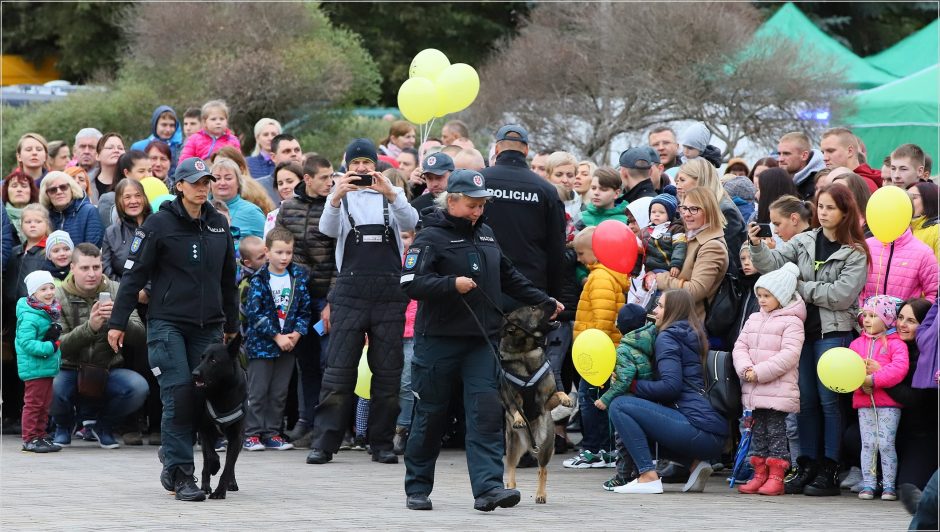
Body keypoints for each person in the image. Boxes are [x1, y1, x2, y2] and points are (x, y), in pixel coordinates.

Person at [399, 168, 561, 511]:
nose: (478, 211)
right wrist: (449, 285)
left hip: (481, 343)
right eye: (472, 205)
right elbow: (410, 283)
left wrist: (543, 300)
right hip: (438, 342)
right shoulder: (430, 237)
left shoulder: (486, 234)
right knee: (430, 416)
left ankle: (488, 488)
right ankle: (417, 487)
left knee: (486, 415)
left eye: (482, 205)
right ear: (452, 201)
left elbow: (509, 276)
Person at [107, 157, 239, 502]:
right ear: (178, 185)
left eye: (205, 181)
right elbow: (133, 275)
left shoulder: (218, 223)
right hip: (167, 323)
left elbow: (228, 278)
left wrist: (232, 326)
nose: (202, 187)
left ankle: (172, 455)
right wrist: (117, 322)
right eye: (194, 181)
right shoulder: (158, 224)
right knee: (179, 393)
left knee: (202, 396)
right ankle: (182, 474)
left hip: (209, 326)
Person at [748, 183, 870, 496]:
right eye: (821, 206)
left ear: (845, 211)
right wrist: (759, 247)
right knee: (804, 402)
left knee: (829, 402)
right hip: (802, 331)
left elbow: (841, 297)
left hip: (833, 332)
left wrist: (801, 287)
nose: (824, 212)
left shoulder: (855, 252)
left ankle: (830, 468)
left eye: (831, 207)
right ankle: (807, 464)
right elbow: (773, 268)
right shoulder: (804, 240)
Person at [305, 138, 417, 466]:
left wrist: (391, 193)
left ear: (376, 164)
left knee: (388, 372)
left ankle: (380, 443)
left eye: (367, 162)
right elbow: (327, 230)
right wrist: (336, 196)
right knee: (338, 372)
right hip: (350, 294)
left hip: (388, 295)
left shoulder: (390, 196)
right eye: (356, 163)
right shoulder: (340, 197)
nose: (362, 168)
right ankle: (325, 443)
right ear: (347, 165)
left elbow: (410, 223)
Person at [608, 289, 728, 494]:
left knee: (619, 407)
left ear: (674, 310)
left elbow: (670, 387)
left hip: (697, 428)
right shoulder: (691, 332)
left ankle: (648, 476)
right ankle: (693, 464)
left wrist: (632, 385)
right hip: (711, 434)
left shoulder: (668, 337)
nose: (654, 310)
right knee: (636, 423)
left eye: (660, 306)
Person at [49, 243, 148, 449]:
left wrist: (119, 320)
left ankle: (103, 426)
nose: (91, 274)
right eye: (84, 268)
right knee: (51, 385)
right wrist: (90, 327)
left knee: (138, 387)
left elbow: (140, 337)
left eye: (96, 267)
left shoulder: (117, 289)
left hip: (107, 369)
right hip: (69, 368)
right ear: (72, 268)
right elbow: (58, 347)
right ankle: (63, 426)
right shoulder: (57, 295)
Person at [274, 156, 336, 445]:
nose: (330, 182)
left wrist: (331, 301)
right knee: (306, 362)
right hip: (299, 296)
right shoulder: (288, 208)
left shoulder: (336, 205)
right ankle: (306, 420)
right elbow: (285, 248)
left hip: (326, 296)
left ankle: (331, 423)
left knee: (330, 361)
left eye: (332, 176)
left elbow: (341, 257)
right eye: (324, 177)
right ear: (307, 179)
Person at [732, 263, 805, 496]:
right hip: (754, 389)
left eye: (767, 296)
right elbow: (740, 346)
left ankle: (776, 476)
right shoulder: (754, 318)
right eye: (760, 295)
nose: (761, 300)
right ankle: (759, 474)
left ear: (781, 296)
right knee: (757, 432)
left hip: (777, 390)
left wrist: (760, 372)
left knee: (776, 432)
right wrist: (745, 369)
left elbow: (790, 355)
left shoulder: (792, 322)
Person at [243, 227, 312, 452]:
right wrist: (276, 335)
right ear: (267, 252)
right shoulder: (259, 279)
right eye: (279, 252)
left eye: (289, 253)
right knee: (258, 391)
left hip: (288, 346)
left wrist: (297, 333)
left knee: (279, 392)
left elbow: (304, 310)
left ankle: (272, 432)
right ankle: (251, 433)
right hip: (262, 346)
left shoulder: (297, 277)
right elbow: (255, 314)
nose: (284, 258)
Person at [480, 125, 567, 302]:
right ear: (526, 150)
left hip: (483, 283)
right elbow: (557, 247)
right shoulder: (546, 190)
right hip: (531, 289)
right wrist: (554, 295)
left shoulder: (479, 181)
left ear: (497, 149)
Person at [565, 226, 627, 469]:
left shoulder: (600, 277)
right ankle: (606, 450)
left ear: (597, 251)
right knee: (599, 400)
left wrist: (591, 348)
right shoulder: (606, 275)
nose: (579, 259)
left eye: (581, 254)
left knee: (590, 400)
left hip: (598, 352)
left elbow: (602, 318)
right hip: (603, 348)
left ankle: (594, 450)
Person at [850, 295, 910, 501]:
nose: (866, 319)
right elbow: (847, 370)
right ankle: (868, 483)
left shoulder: (897, 344)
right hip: (864, 403)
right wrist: (859, 385)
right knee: (867, 443)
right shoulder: (856, 344)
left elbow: (899, 369)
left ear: (886, 319)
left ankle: (889, 485)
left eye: (873, 315)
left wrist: (873, 380)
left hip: (888, 405)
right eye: (864, 315)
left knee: (885, 444)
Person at [644, 186, 729, 322]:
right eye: (684, 208)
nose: (686, 214)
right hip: (671, 318)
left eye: (694, 209)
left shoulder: (712, 246)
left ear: (709, 211)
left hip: (687, 324)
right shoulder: (686, 234)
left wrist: (659, 279)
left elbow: (694, 291)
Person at [597, 304, 656, 490]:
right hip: (646, 398)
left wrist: (605, 399)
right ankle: (638, 471)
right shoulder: (650, 340)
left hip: (628, 401)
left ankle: (622, 476)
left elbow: (624, 380)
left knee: (623, 439)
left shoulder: (624, 349)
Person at [888, 298, 937, 492]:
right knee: (853, 437)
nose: (902, 324)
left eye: (911, 321)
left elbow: (914, 399)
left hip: (922, 433)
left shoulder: (928, 356)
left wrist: (879, 380)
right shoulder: (889, 346)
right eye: (900, 318)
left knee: (909, 486)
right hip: (896, 429)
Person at [15, 270, 63, 453]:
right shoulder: (29, 316)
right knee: (34, 404)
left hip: (45, 367)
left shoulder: (47, 312)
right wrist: (51, 346)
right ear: (33, 293)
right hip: (34, 368)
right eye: (43, 289)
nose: (49, 292)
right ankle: (29, 438)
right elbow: (26, 343)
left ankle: (41, 436)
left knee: (44, 404)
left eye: (51, 287)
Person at [860, 223, 937, 304]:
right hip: (866, 315)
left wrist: (914, 314)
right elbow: (856, 288)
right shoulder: (866, 246)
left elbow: (933, 294)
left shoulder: (924, 253)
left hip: (904, 315)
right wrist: (861, 313)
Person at [101, 179, 152, 281]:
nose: (133, 201)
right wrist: (126, 289)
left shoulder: (158, 227)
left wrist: (146, 291)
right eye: (127, 197)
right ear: (119, 201)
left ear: (144, 198)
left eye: (138, 195)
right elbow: (106, 269)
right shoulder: (111, 233)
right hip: (122, 292)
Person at [38, 172, 102, 247]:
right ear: (46, 195)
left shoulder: (89, 211)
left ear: (72, 189)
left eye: (63, 187)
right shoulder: (44, 216)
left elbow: (92, 249)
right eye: (52, 190)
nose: (59, 192)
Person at [210, 158, 265, 240]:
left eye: (228, 178)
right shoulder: (199, 208)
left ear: (238, 183)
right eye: (217, 178)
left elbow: (267, 245)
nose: (222, 183)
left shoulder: (252, 212)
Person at [820, 127, 881, 193]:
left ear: (850, 151)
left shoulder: (863, 185)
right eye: (823, 152)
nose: (825, 158)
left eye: (831, 151)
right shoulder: (839, 180)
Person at [644, 185, 686, 277]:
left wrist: (676, 264)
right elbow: (639, 251)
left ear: (670, 214)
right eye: (653, 212)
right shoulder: (645, 231)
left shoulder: (675, 229)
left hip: (667, 270)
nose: (657, 215)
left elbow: (679, 247)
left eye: (661, 212)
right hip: (649, 271)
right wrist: (635, 269)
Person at [130, 105, 183, 173]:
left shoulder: (180, 147)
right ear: (155, 125)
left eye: (172, 125)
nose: (168, 129)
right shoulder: (139, 147)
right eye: (164, 125)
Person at [255, 133, 304, 205]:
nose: (294, 154)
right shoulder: (258, 187)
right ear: (273, 157)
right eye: (287, 151)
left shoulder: (312, 181)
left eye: (297, 150)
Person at [777, 132, 826, 201]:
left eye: (786, 154)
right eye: (779, 154)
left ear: (804, 155)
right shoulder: (778, 181)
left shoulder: (819, 183)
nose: (780, 159)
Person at [262, 161, 303, 237]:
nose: (284, 186)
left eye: (289, 181)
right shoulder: (273, 215)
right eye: (280, 183)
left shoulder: (315, 208)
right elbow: (267, 245)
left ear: (303, 181)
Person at [410, 153, 454, 220]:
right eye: (429, 178)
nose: (434, 184)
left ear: (452, 175)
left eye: (439, 177)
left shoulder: (464, 202)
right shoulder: (415, 206)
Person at [3, 168, 39, 245]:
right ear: (6, 191)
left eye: (24, 186)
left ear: (31, 191)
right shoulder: (2, 218)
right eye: (14, 186)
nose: (19, 189)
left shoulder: (42, 216)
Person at [88, 133, 126, 204]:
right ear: (97, 156)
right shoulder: (86, 184)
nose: (116, 151)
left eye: (120, 148)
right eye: (110, 148)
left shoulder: (133, 181)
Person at [909, 182, 939, 260]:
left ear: (929, 200)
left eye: (913, 197)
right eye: (907, 197)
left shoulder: (937, 230)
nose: (908, 201)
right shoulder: (902, 228)